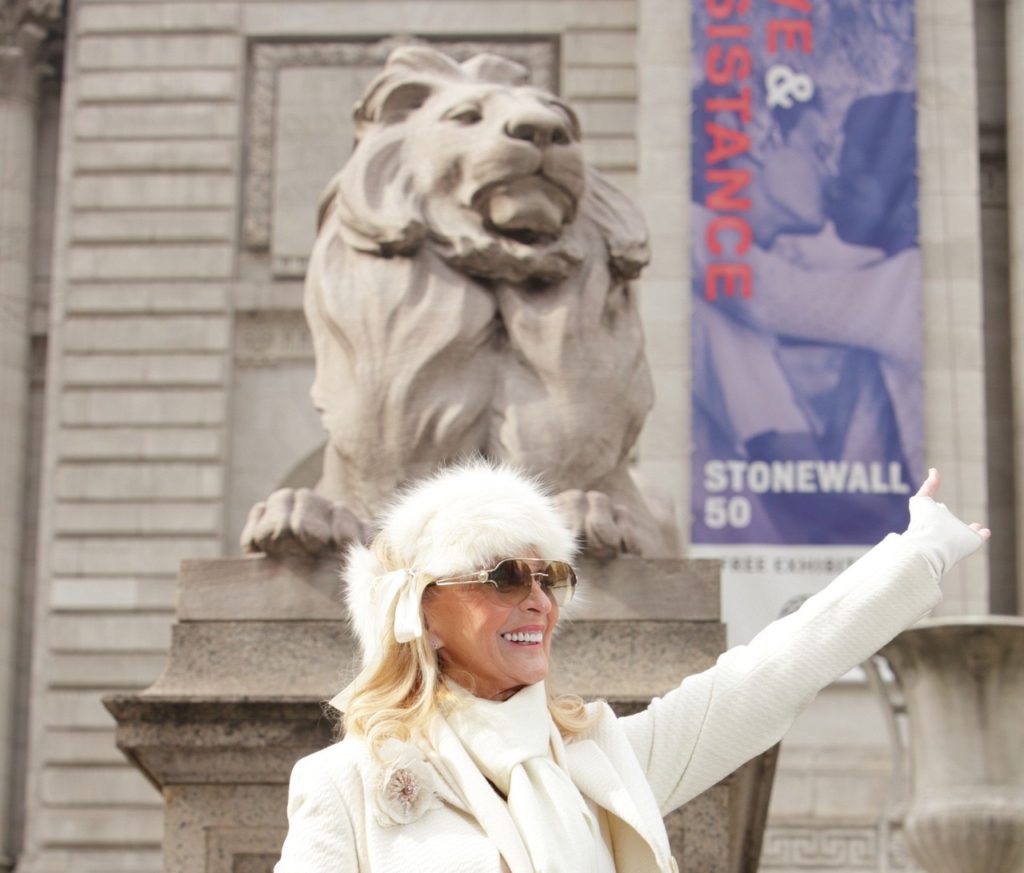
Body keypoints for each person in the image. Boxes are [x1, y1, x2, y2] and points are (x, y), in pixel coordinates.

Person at [274, 460, 989, 873]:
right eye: (502, 578)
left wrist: (917, 551)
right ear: (424, 614)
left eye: (548, 576)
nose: (537, 601)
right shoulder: (344, 783)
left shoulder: (606, 759)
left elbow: (773, 674)